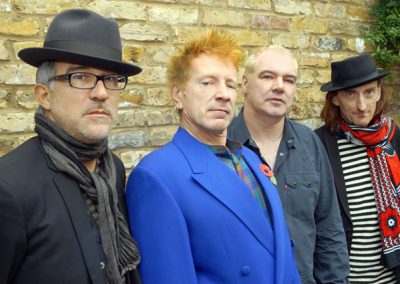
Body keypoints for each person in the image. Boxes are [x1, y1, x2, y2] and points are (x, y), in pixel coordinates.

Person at [125, 29, 300, 284]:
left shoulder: (250, 159)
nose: (224, 94)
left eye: (229, 84)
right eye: (207, 83)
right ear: (178, 94)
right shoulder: (156, 176)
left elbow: (282, 254)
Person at [0, 9, 142, 284]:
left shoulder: (112, 169)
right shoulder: (10, 188)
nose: (101, 92)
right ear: (44, 95)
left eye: (111, 79)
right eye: (80, 77)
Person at [228, 46, 349, 283]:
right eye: (267, 76)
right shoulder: (221, 145)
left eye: (289, 80)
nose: (279, 86)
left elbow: (329, 229)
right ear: (245, 83)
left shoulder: (309, 144)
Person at [316, 53, 400, 283]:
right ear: (335, 99)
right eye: (351, 94)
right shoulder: (318, 145)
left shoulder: (394, 138)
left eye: (369, 92)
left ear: (379, 92)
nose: (362, 106)